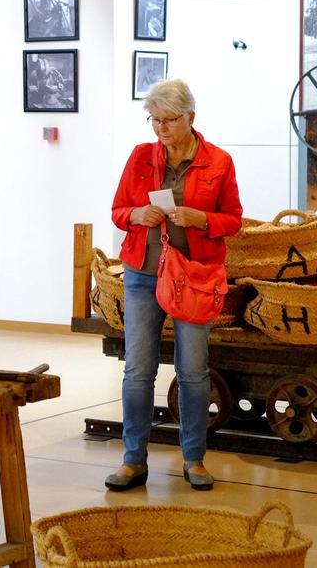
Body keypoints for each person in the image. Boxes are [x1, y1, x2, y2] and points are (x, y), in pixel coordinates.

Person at [107, 79, 242, 492]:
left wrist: (201, 219)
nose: (161, 128)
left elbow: (234, 220)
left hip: (195, 277)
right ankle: (133, 461)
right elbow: (117, 211)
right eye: (155, 120)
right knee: (137, 370)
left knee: (193, 371)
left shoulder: (218, 161)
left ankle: (194, 459)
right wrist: (137, 214)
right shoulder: (140, 157)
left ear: (190, 117)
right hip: (143, 274)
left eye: (169, 120)